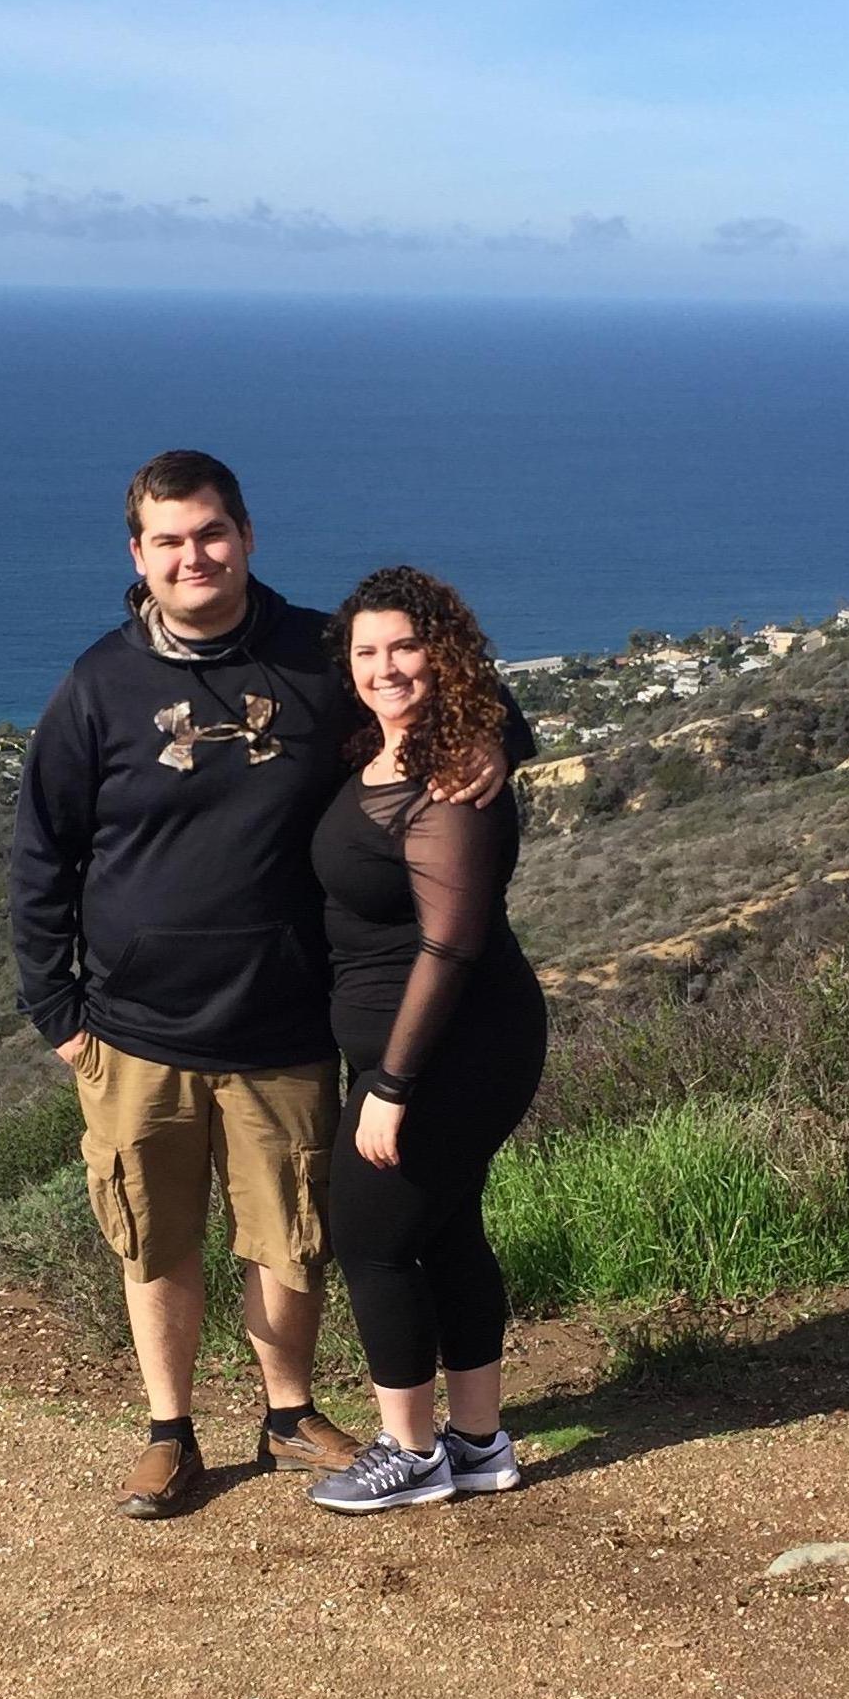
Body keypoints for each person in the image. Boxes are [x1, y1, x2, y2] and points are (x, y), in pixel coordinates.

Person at [9, 452, 521, 1520]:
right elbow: (41, 852)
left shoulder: (313, 654)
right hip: (132, 1027)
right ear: (137, 555)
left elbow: (435, 686)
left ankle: (288, 1414)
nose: (193, 556)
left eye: (210, 533)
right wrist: (55, 1014)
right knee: (154, 1236)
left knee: (288, 1236)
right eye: (168, 540)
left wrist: (502, 739)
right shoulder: (98, 682)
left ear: (244, 534)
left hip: (284, 1022)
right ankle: (168, 1428)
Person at [304, 567, 548, 1514]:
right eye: (366, 650)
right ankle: (480, 1443)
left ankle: (409, 1450)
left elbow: (451, 940)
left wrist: (395, 1081)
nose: (383, 666)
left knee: (371, 1239)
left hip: (450, 1046)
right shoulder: (382, 744)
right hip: (425, 1045)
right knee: (444, 1228)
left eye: (404, 645)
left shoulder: (448, 780)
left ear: (442, 652)